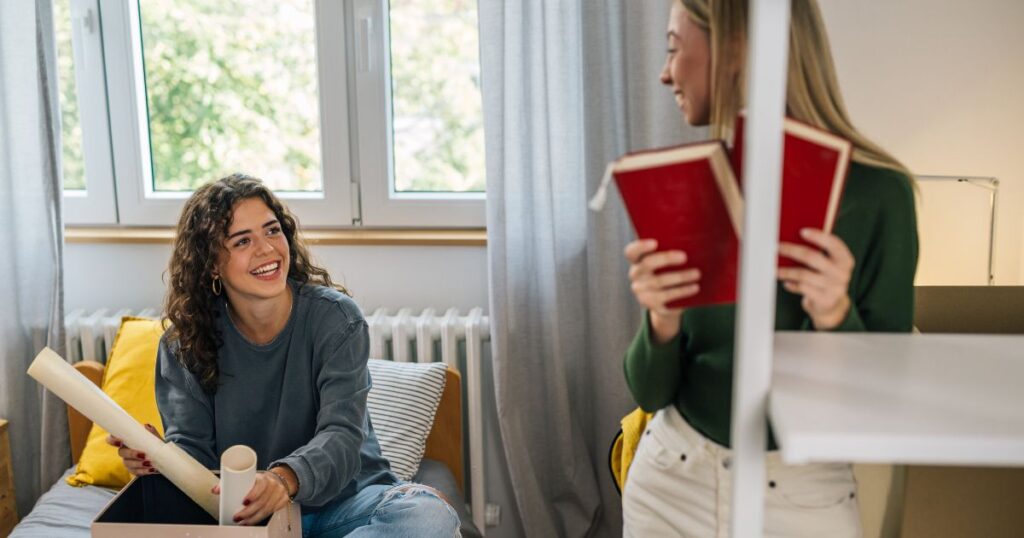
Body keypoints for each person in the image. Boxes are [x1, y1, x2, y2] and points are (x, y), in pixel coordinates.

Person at [621, 0, 917, 536]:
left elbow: (880, 401)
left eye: (672, 46)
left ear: (734, 48)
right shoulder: (694, 186)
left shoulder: (878, 196)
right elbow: (649, 393)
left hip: (801, 498)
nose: (665, 73)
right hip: (669, 483)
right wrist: (659, 323)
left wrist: (835, 316)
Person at [106, 174, 460, 537]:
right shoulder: (182, 346)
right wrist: (160, 460)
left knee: (428, 516)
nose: (267, 249)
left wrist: (284, 478)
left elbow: (342, 436)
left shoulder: (335, 319)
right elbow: (195, 455)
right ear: (211, 263)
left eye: (272, 231)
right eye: (242, 240)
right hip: (254, 521)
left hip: (347, 507)